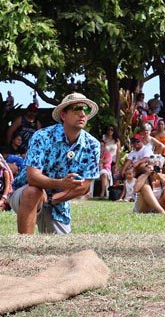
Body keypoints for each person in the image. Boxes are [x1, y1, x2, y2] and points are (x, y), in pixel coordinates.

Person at [9, 93, 102, 234]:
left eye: (86, 110)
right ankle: (24, 246)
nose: (83, 114)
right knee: (33, 191)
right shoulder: (42, 136)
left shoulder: (92, 145)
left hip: (58, 203)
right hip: (26, 193)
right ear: (63, 115)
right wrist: (61, 183)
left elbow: (84, 187)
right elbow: (33, 178)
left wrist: (52, 199)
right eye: (77, 109)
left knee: (62, 251)